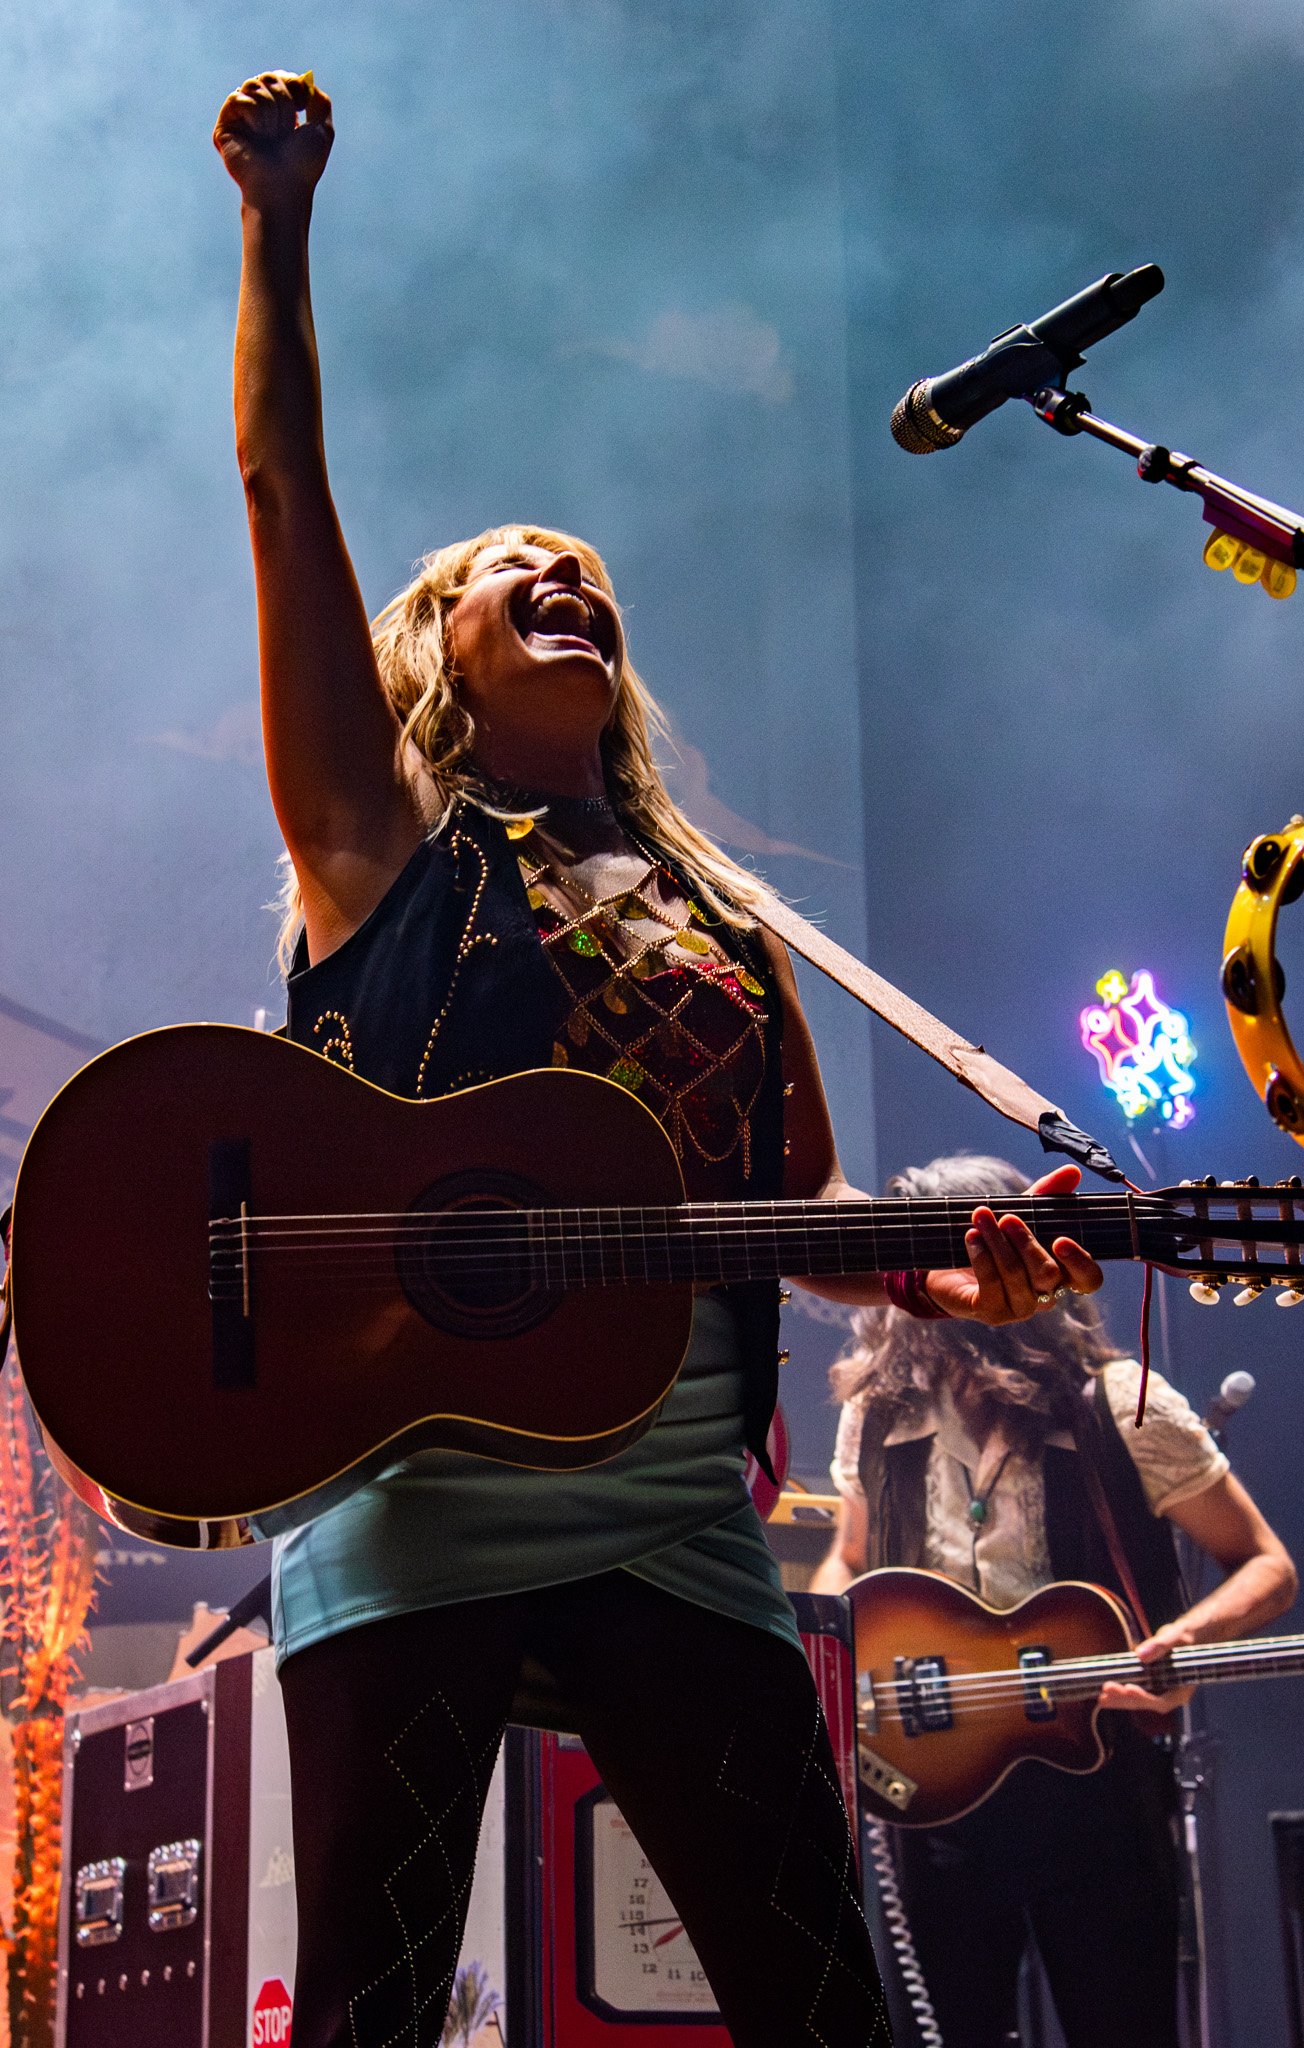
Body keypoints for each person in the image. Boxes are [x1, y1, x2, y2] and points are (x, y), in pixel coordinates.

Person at [212, 71, 1106, 2048]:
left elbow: (794, 1211)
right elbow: (281, 497)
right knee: (364, 2013)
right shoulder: (375, 846)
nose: (561, 568)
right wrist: (275, 233)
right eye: (502, 565)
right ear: (429, 648)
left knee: (824, 2012)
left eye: (584, 562)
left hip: (673, 1514)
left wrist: (950, 1266)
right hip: (413, 1494)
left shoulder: (727, 916)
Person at [811, 1152, 1299, 2048]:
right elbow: (845, 1562)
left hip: (1101, 1787)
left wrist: (1180, 1647)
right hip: (936, 1790)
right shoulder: (877, 1413)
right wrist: (839, 1676)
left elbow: (1265, 1564)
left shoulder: (1122, 1402)